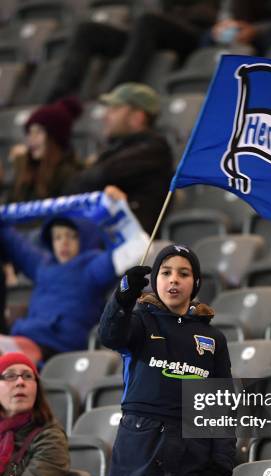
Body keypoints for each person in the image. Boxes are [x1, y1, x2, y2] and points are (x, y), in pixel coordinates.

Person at [99, 244, 236, 476]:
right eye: (166, 272)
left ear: (196, 283)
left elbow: (219, 407)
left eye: (183, 273)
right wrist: (122, 298)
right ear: (155, 279)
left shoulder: (213, 338)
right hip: (140, 446)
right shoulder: (139, 323)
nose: (174, 279)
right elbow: (110, 335)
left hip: (192, 452)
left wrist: (220, 469)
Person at [0, 186, 147, 363]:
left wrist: (117, 209)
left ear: (85, 237)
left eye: (71, 236)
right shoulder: (42, 264)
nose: (64, 243)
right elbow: (11, 240)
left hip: (58, 345)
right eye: (58, 237)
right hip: (25, 339)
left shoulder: (92, 266)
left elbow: (131, 248)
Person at [46, 1, 221, 103]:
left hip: (195, 33)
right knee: (87, 30)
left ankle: (119, 92)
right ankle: (58, 98)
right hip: (157, 29)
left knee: (147, 21)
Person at [64, 83, 173, 235]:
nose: (105, 116)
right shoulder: (122, 147)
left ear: (137, 117)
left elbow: (98, 177)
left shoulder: (153, 149)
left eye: (114, 109)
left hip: (130, 244)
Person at [6, 97, 83, 203]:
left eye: (38, 132)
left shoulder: (69, 176)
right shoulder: (25, 169)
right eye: (29, 133)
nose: (31, 139)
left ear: (55, 138)